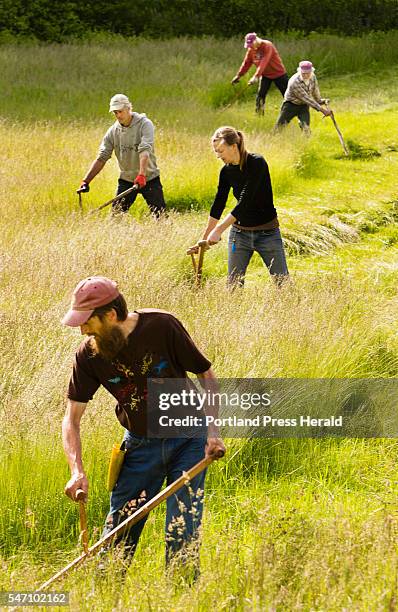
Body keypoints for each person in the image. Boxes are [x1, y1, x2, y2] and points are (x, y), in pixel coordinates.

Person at [61, 276, 225, 572]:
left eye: (88, 322)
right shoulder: (89, 354)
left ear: (110, 315)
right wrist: (76, 471)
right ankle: (106, 597)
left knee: (182, 529)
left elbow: (207, 376)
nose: (82, 330)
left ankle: (182, 596)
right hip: (139, 445)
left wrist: (213, 433)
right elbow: (71, 419)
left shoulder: (162, 326)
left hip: (189, 439)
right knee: (117, 532)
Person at [189, 127, 289, 287]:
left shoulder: (257, 163)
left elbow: (245, 201)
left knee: (283, 285)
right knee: (233, 287)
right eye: (216, 151)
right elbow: (218, 203)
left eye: (220, 151)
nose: (218, 155)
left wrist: (219, 230)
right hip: (240, 235)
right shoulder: (226, 172)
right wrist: (204, 239)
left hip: (267, 233)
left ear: (233, 146)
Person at [77, 94, 166, 216]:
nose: (118, 115)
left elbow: (144, 150)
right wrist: (86, 181)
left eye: (120, 111)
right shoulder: (113, 131)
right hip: (127, 180)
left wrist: (142, 174)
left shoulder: (145, 124)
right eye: (115, 112)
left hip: (149, 178)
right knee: (115, 217)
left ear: (129, 108)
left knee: (160, 216)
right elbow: (102, 157)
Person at [231, 33, 289, 115]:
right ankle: (259, 115)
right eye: (249, 45)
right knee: (260, 95)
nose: (250, 46)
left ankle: (294, 112)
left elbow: (264, 62)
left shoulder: (267, 46)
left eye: (251, 44)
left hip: (279, 74)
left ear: (256, 40)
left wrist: (256, 76)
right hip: (265, 75)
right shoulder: (251, 50)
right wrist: (239, 75)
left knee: (288, 94)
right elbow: (246, 63)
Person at [274, 61, 332, 132]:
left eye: (308, 73)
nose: (306, 75)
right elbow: (307, 99)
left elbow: (315, 90)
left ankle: (306, 141)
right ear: (300, 71)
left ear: (311, 71)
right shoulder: (294, 82)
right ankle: (272, 139)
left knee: (306, 128)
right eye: (303, 73)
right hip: (290, 105)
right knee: (279, 127)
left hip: (303, 106)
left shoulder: (313, 77)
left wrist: (320, 101)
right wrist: (323, 110)